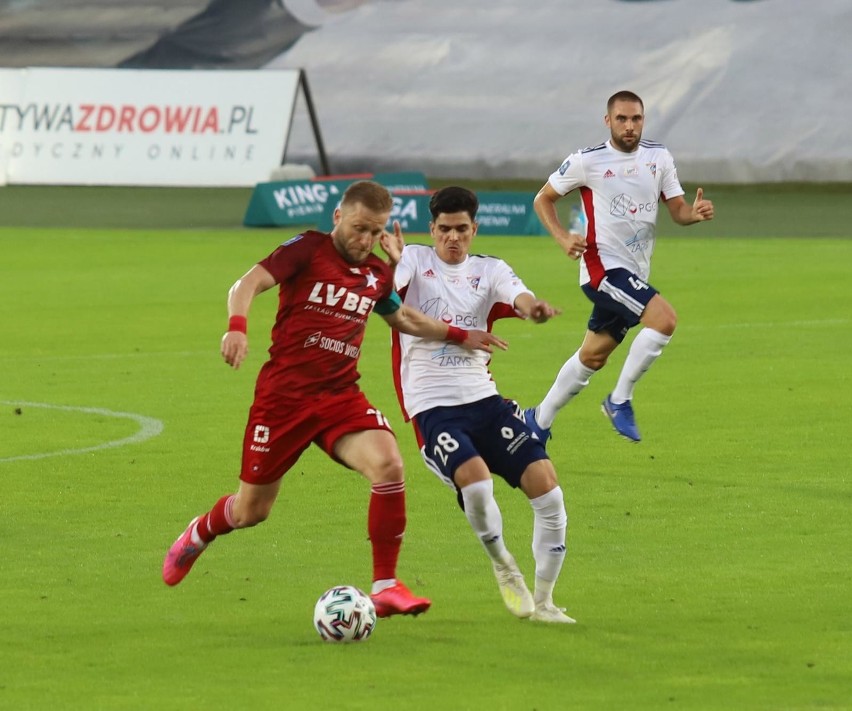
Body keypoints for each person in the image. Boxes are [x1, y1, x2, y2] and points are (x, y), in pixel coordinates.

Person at [162, 180, 506, 619]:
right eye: (359, 228)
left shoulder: (378, 274)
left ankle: (385, 585)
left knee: (389, 464)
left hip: (339, 396)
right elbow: (246, 283)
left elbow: (402, 317)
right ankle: (200, 532)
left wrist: (461, 334)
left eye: (375, 232)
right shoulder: (306, 249)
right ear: (338, 217)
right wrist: (236, 326)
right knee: (251, 511)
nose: (365, 241)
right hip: (283, 400)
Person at [391, 186, 576, 623]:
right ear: (431, 229)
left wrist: (535, 310)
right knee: (476, 484)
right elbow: (390, 302)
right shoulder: (412, 262)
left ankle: (546, 602)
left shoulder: (489, 270)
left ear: (474, 229)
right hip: (432, 407)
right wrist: (387, 264)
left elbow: (519, 296)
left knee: (548, 490)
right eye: (443, 230)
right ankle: (502, 563)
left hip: (485, 401)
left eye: (461, 230)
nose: (452, 238)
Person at [525, 90, 715, 443]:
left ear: (643, 120)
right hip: (603, 270)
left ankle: (538, 419)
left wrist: (694, 214)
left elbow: (678, 211)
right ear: (608, 121)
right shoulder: (587, 161)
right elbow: (543, 199)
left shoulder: (659, 157)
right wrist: (563, 238)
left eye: (636, 119)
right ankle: (619, 400)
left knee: (593, 356)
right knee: (664, 319)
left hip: (635, 272)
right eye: (622, 119)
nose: (630, 126)